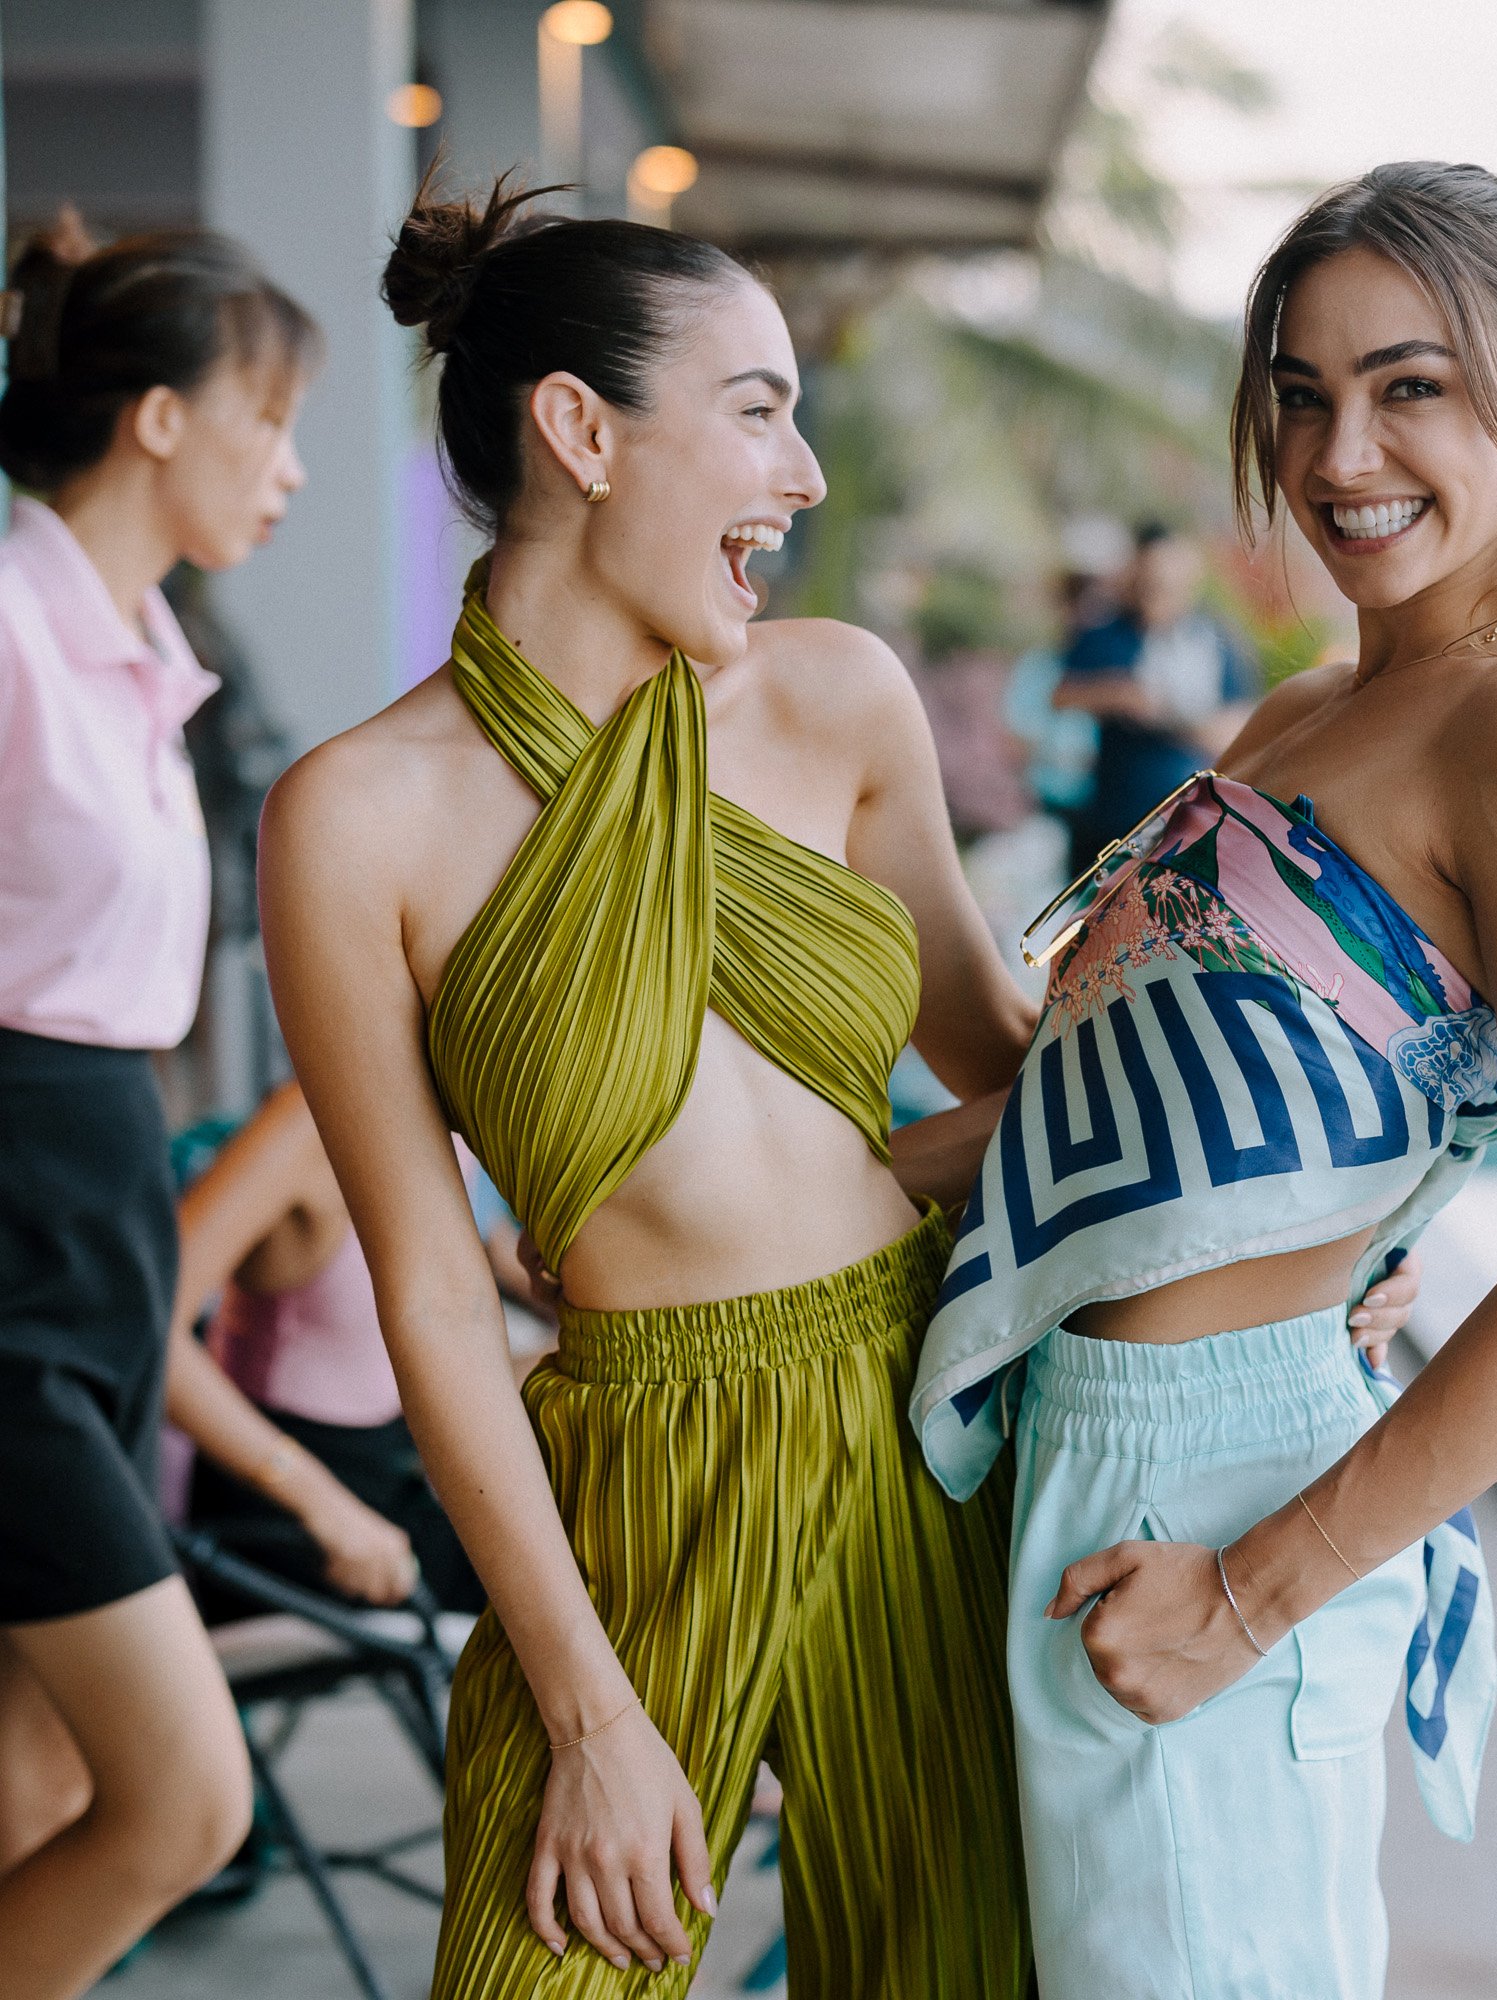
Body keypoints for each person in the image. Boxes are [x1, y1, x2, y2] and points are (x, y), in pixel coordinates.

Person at [912, 160, 1497, 1999]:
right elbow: (1111, 1114)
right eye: (1299, 391)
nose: (1339, 448)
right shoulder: (1298, 717)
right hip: (1087, 1453)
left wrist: (1249, 1594)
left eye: (1408, 384)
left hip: (1221, 1500)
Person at [255, 173, 1046, 1996]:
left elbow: (1015, 1083)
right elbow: (440, 1296)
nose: (807, 477)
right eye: (758, 413)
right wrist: (590, 1718)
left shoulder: (837, 700)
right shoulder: (358, 820)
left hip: (922, 1423)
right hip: (627, 1481)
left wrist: (1311, 1208)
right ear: (581, 432)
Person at [0, 214, 315, 1999]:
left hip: (95, 1234)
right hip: (18, 1254)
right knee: (183, 1804)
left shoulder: (136, 655)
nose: (287, 469)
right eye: (265, 419)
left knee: (41, 1779)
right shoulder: (14, 635)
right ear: (160, 421)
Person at [170, 1080, 552, 1618]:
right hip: (293, 1514)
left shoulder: (454, 1121)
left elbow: (485, 1255)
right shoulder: (307, 1124)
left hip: (398, 1465)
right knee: (558, 1601)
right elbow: (148, 1337)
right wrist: (326, 1510)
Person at [1053, 521, 1260, 873]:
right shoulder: (1109, 632)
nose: (1159, 591)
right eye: (1151, 580)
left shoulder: (1215, 640)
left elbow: (1239, 725)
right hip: (1111, 816)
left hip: (1185, 820)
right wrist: (1120, 695)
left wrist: (1171, 718)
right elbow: (1062, 694)